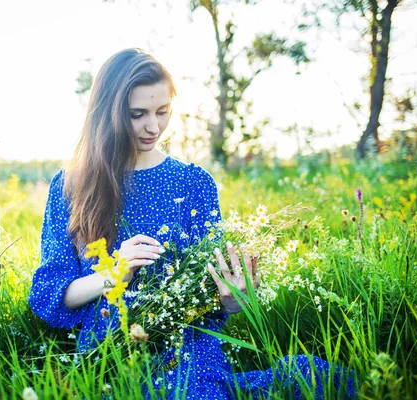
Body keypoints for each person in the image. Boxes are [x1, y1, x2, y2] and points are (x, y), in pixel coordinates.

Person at [29, 48, 355, 399]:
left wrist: (234, 299)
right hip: (110, 355)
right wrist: (113, 275)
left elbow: (212, 295)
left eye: (162, 111)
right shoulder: (72, 185)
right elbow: (48, 294)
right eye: (137, 114)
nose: (153, 127)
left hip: (188, 349)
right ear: (107, 113)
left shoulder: (193, 182)